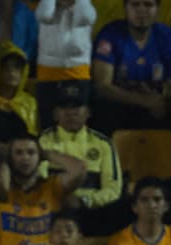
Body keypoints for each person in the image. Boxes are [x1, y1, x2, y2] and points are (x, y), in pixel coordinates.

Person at [38, 83, 123, 236]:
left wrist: (84, 201)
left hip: (90, 211)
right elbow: (39, 180)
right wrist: (60, 198)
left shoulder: (103, 143)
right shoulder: (42, 142)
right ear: (56, 114)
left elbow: (113, 189)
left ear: (88, 112)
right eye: (65, 107)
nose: (71, 113)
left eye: (76, 107)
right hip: (53, 208)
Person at [91, 0, 171, 135]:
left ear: (157, 9)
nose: (141, 10)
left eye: (148, 5)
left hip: (157, 108)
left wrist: (166, 103)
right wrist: (144, 101)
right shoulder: (110, 33)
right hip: (119, 108)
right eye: (135, 4)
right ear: (125, 8)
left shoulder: (168, 36)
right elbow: (102, 87)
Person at [34, 0, 96, 122]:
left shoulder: (84, 5)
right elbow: (44, 15)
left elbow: (85, 17)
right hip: (48, 72)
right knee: (48, 120)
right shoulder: (47, 5)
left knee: (76, 121)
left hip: (78, 72)